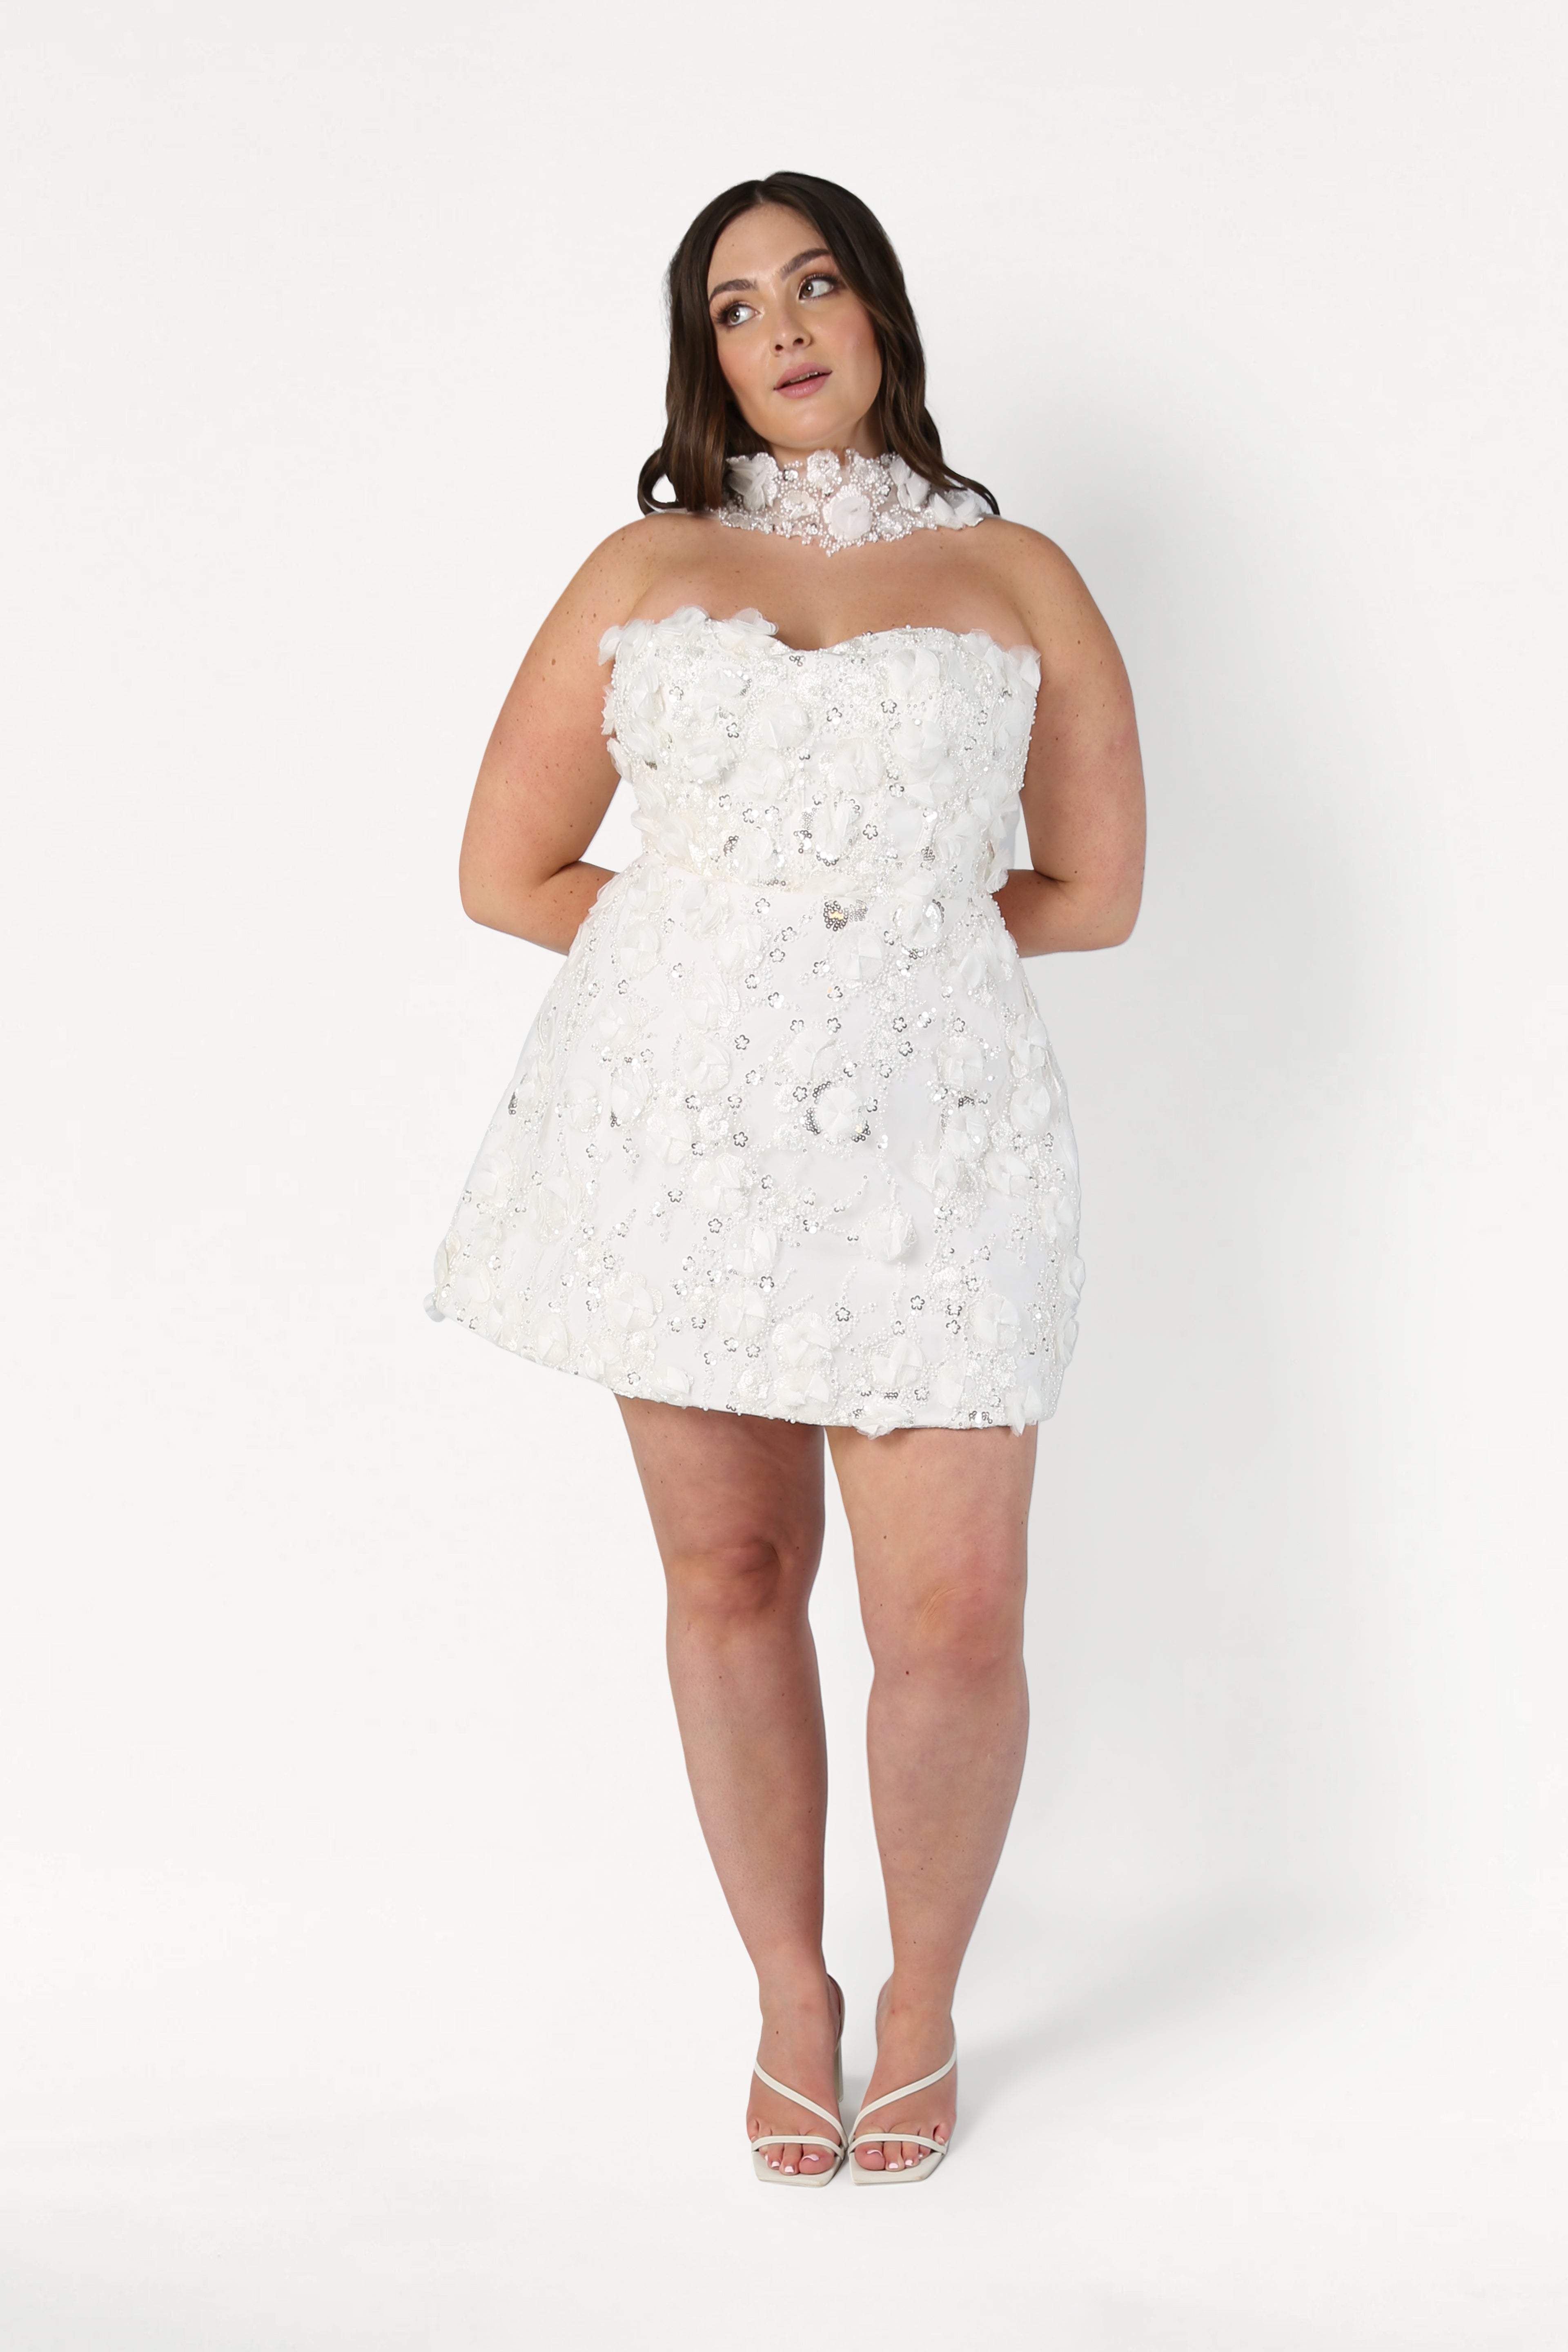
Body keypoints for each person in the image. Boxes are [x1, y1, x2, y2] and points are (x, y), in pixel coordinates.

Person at [427, 172, 1145, 2185]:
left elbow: (1095, 890)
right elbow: (510, 873)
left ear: (881, 312)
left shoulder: (1017, 575)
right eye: (738, 308)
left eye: (814, 283)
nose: (784, 329)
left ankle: (919, 2001)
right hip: (685, 1148)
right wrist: (735, 960)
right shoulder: (640, 566)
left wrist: (875, 945)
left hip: (941, 1146)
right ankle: (788, 1992)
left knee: (957, 1624)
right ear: (708, 357)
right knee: (730, 1577)